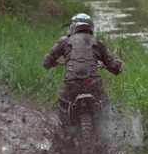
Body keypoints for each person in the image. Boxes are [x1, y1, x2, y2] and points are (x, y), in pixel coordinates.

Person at [43, 13, 123, 142]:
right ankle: (106, 135)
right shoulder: (98, 42)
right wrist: (117, 65)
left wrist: (52, 63)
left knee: (62, 103)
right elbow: (114, 66)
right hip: (93, 83)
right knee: (105, 102)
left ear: (73, 26)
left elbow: (46, 61)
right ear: (90, 27)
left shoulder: (65, 41)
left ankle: (64, 136)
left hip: (71, 84)